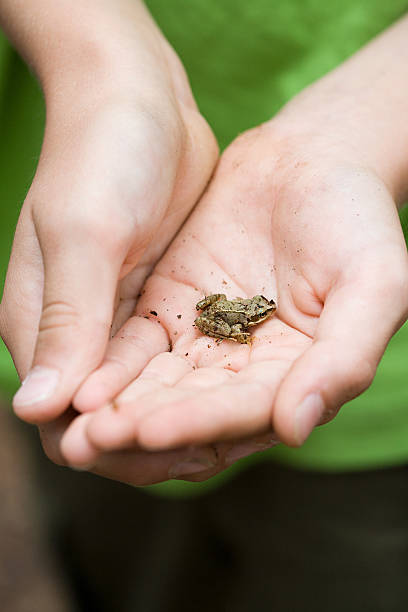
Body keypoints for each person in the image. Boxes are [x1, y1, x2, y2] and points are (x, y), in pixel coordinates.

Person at [1, 1, 408, 609]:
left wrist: (363, 128)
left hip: (383, 417)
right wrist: (102, 65)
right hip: (98, 262)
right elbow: (224, 316)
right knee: (124, 569)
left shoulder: (258, 312)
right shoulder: (238, 316)